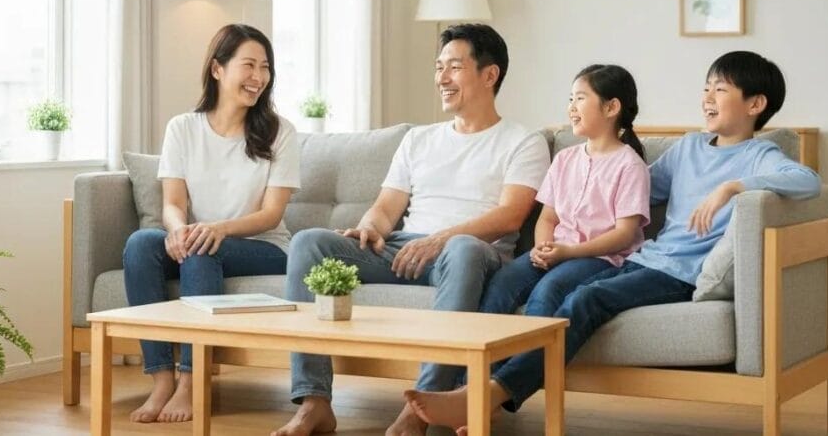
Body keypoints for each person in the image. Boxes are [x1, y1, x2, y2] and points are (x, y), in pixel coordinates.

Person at [407, 50, 822, 432]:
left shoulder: (759, 155)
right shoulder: (689, 147)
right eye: (706, 87)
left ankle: (488, 394)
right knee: (567, 294)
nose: (708, 97)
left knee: (585, 300)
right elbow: (636, 189)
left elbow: (808, 181)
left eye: (721, 89)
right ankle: (476, 393)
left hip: (681, 273)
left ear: (755, 104)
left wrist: (732, 187)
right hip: (647, 260)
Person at [270, 24, 550, 436]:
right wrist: (368, 227)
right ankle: (314, 401)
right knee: (311, 243)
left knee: (464, 249)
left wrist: (443, 239)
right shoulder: (420, 139)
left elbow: (510, 216)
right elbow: (387, 207)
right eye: (439, 68)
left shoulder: (523, 141)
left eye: (454, 67)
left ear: (489, 75)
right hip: (406, 247)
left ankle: (422, 406)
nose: (441, 78)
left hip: (470, 253)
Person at [403, 64, 650, 429]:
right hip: (555, 251)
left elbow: (625, 234)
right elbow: (547, 217)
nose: (571, 106)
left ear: (612, 108)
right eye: (570, 98)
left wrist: (567, 253)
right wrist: (543, 247)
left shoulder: (630, 165)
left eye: (580, 98)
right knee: (500, 284)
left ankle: (490, 397)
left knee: (548, 291)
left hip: (599, 257)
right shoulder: (565, 158)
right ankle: (468, 390)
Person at [122, 24, 300, 423]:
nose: (259, 77)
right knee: (140, 244)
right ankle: (162, 379)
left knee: (204, 249)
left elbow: (271, 214)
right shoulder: (183, 128)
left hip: (265, 246)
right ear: (218, 69)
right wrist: (177, 230)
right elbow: (172, 202)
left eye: (265, 68)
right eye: (249, 65)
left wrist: (217, 229)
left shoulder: (279, 132)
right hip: (201, 238)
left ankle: (192, 381)